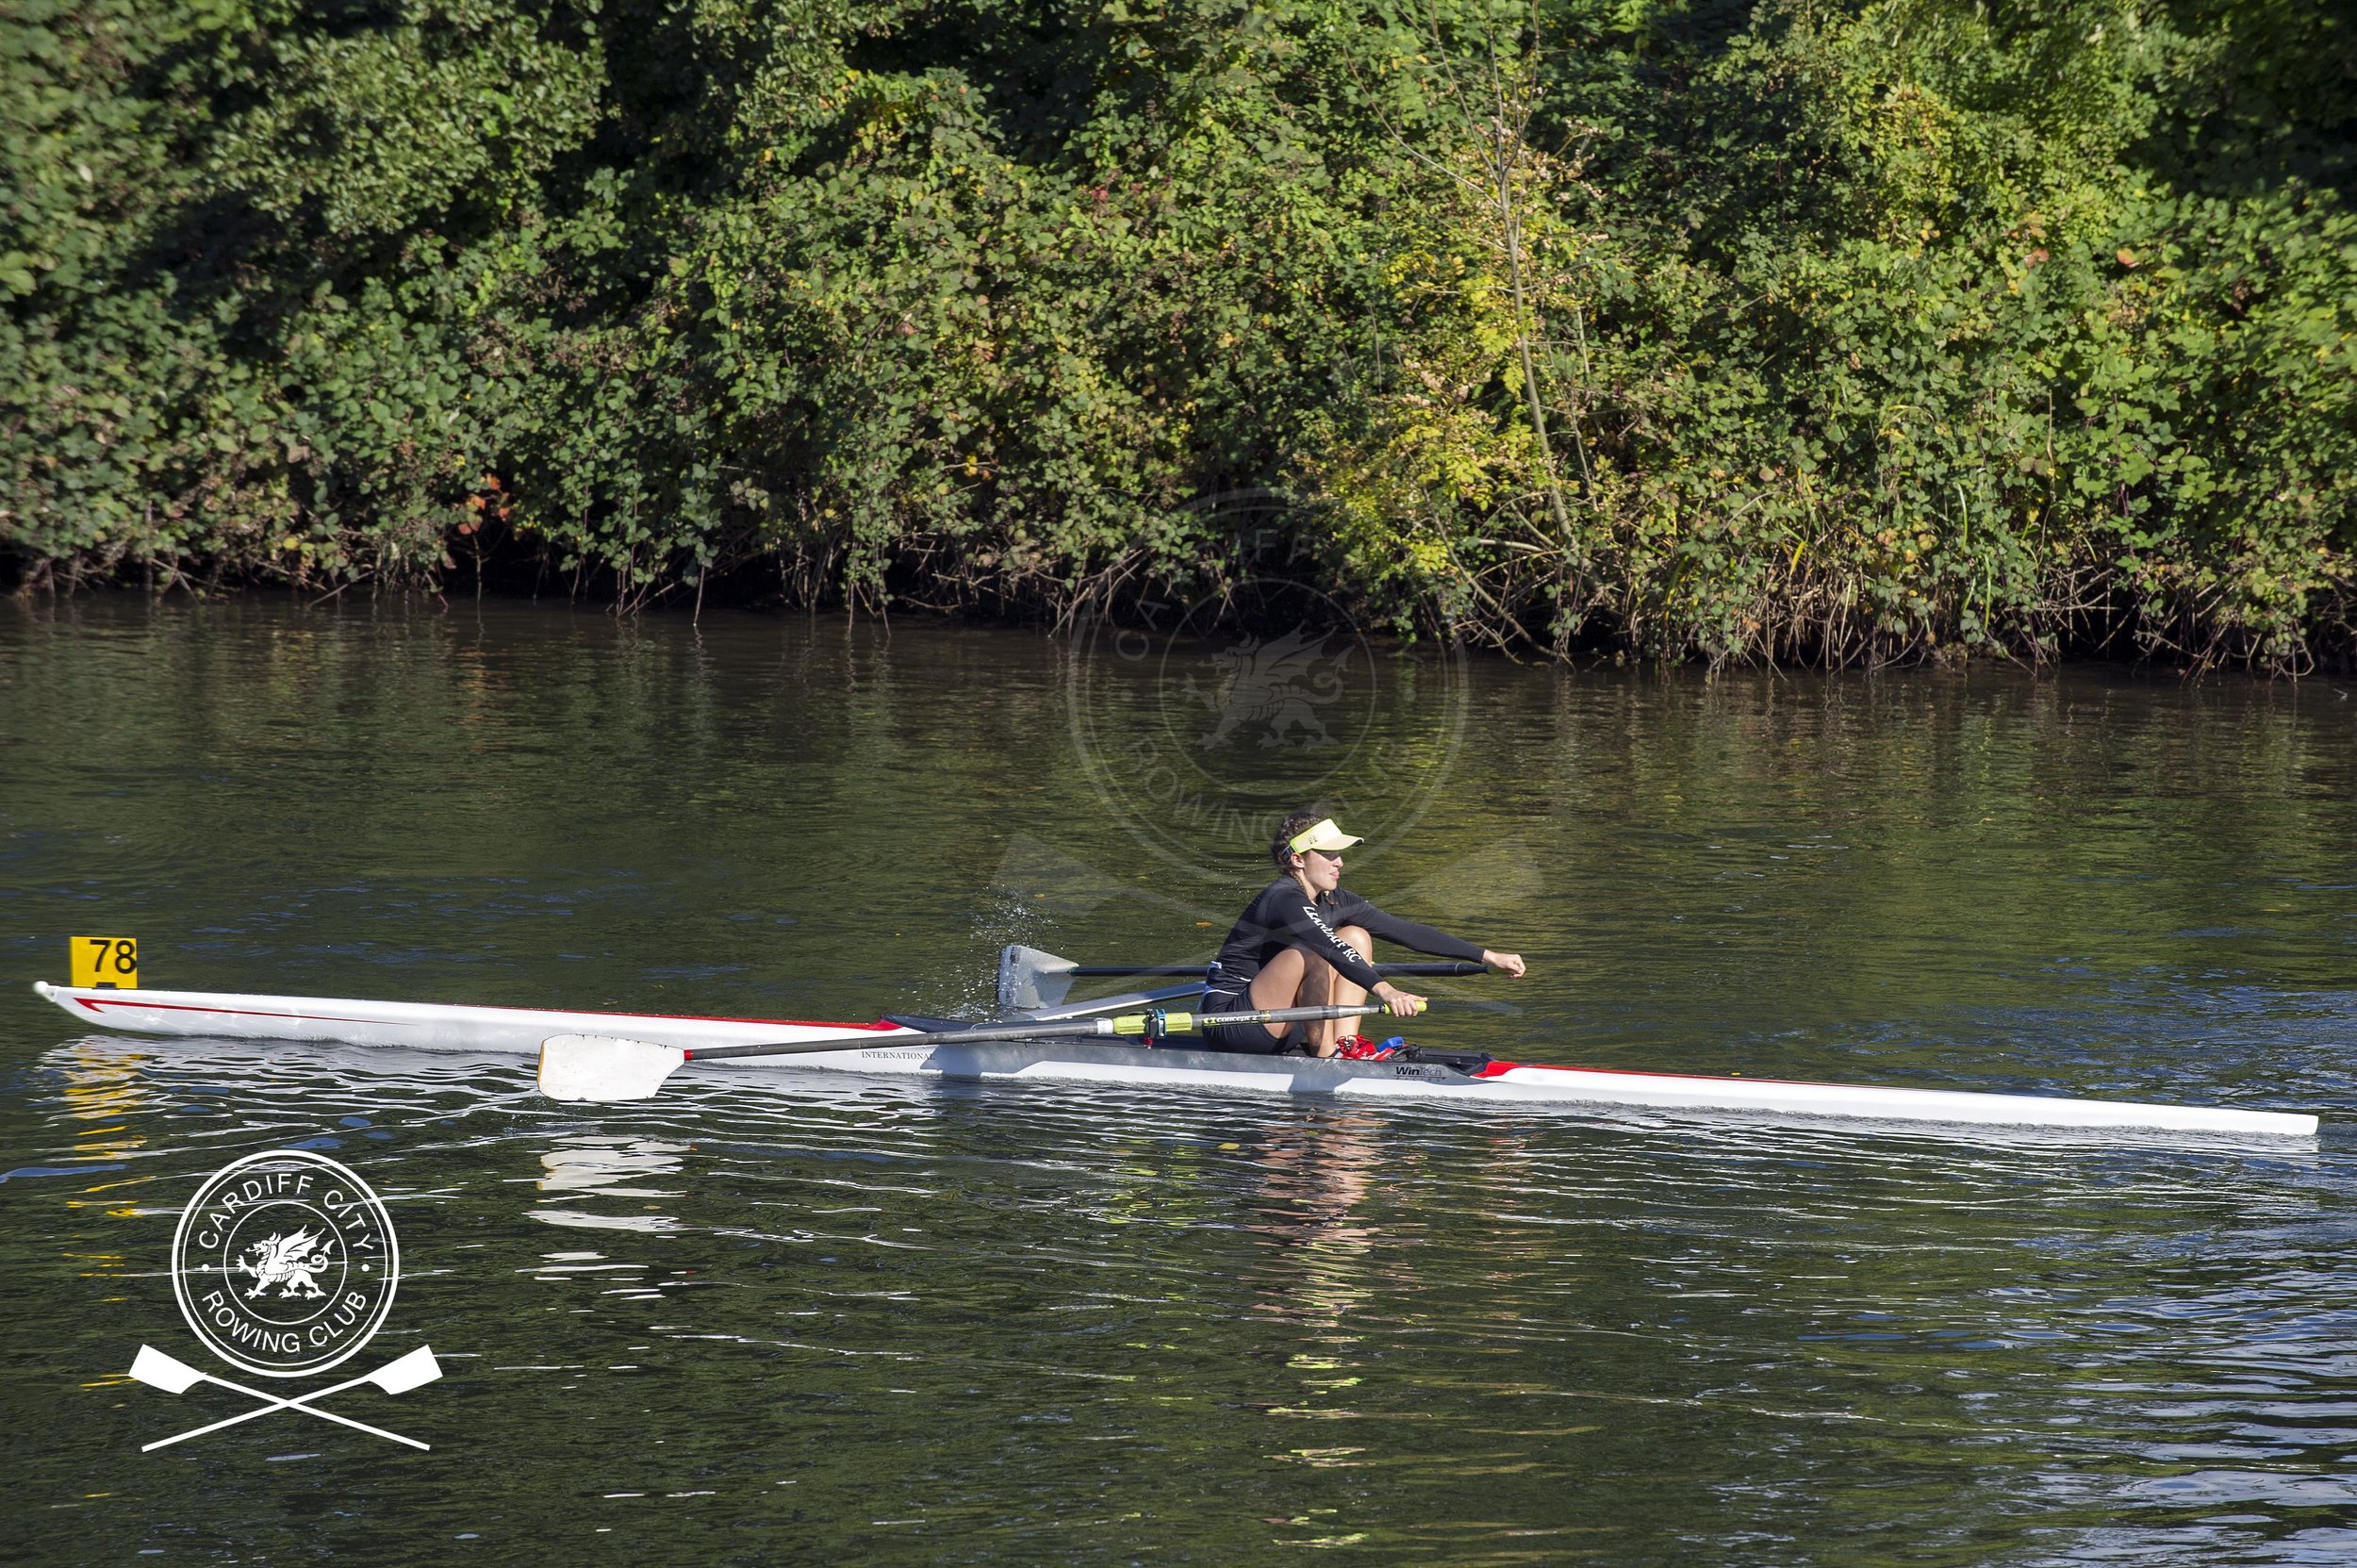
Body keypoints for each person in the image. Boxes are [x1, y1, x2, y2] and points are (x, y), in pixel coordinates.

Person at [1199, 810, 1526, 1058]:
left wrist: (1488, 956)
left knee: (1357, 935)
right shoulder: (1282, 897)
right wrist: (1386, 991)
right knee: (1314, 950)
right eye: (1328, 855)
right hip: (1234, 1022)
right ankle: (1326, 1056)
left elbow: (1407, 931)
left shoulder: (1336, 900)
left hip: (1283, 1018)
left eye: (1339, 854)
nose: (1339, 862)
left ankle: (1346, 1045)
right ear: (1297, 860)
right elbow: (1328, 948)